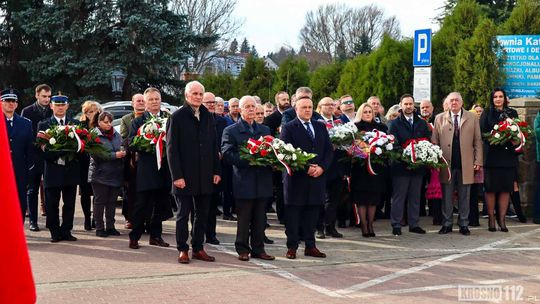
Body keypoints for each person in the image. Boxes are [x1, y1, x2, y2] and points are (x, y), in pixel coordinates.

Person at [167, 81, 221, 264]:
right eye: (194, 93)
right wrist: (177, 176)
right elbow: (171, 150)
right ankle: (182, 249)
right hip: (184, 176)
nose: (198, 97)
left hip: (205, 175)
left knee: (202, 214)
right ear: (187, 95)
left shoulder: (208, 116)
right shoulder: (177, 117)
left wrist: (216, 170)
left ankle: (198, 248)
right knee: (183, 214)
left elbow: (214, 146)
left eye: (200, 94)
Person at [222, 95, 275, 261]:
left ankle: (259, 248)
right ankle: (242, 248)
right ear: (240, 109)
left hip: (263, 181)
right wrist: (251, 158)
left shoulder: (265, 130)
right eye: (248, 107)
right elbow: (227, 154)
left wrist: (270, 158)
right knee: (244, 218)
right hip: (244, 180)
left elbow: (273, 151)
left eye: (254, 106)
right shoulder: (231, 131)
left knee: (260, 217)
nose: (252, 110)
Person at [280, 94, 333, 259]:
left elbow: (328, 151)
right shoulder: (289, 128)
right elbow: (286, 153)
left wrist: (322, 168)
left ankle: (311, 246)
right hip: (297, 179)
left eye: (310, 107)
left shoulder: (320, 127)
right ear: (296, 109)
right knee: (294, 215)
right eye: (304, 107)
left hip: (317, 179)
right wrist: (306, 168)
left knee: (312, 214)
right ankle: (292, 247)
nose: (308, 110)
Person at [432, 92, 483, 236]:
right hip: (446, 163)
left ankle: (464, 224)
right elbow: (434, 141)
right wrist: (436, 160)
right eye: (451, 101)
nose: (454, 103)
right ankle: (447, 223)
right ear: (447, 103)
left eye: (456, 100)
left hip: (465, 163)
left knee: (464, 196)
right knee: (447, 196)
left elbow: (477, 141)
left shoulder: (472, 117)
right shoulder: (439, 118)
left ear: (461, 103)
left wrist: (478, 160)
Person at [128, 87, 172, 249]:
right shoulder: (138, 121)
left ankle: (156, 236)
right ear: (145, 103)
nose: (154, 102)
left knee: (160, 204)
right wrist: (149, 142)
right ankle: (135, 236)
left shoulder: (168, 119)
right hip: (146, 169)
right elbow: (131, 143)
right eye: (151, 100)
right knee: (141, 205)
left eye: (157, 99)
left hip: (164, 169)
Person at [38, 94, 80, 242]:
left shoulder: (76, 124)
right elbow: (43, 151)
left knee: (69, 203)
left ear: (67, 106)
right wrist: (63, 150)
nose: (60, 107)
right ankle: (54, 232)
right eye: (57, 105)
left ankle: (66, 230)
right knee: (52, 204)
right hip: (53, 170)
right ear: (51, 106)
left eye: (63, 105)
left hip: (70, 170)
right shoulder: (43, 125)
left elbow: (80, 148)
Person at [388, 94, 430, 236]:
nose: (408, 106)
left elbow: (427, 141)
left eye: (411, 104)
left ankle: (414, 224)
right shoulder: (395, 123)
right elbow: (393, 143)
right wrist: (406, 154)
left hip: (417, 167)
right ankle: (396, 224)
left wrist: (420, 153)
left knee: (415, 196)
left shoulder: (421, 123)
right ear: (401, 105)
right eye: (405, 104)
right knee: (399, 197)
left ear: (414, 105)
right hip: (401, 167)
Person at [480, 88, 519, 232]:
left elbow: (518, 130)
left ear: (504, 98)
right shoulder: (486, 113)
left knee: (505, 189)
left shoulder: (512, 113)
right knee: (491, 189)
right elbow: (482, 133)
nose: (498, 99)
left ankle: (502, 220)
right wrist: (495, 136)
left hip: (508, 157)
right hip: (491, 157)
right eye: (495, 97)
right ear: (492, 98)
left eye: (500, 96)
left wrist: (514, 138)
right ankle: (491, 219)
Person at [349, 103, 388, 237]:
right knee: (362, 198)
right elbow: (352, 148)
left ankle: (371, 224)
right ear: (360, 113)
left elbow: (386, 145)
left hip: (376, 167)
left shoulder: (381, 128)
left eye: (369, 112)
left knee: (373, 197)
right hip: (360, 168)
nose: (367, 114)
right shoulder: (355, 128)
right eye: (365, 112)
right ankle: (364, 225)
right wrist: (364, 152)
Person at [88, 111, 126, 237]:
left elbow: (121, 146)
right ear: (99, 122)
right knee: (100, 202)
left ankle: (111, 226)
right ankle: (99, 227)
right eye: (105, 122)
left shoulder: (116, 134)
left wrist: (123, 151)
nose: (108, 124)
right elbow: (97, 155)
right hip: (99, 174)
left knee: (111, 202)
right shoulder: (94, 135)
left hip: (115, 173)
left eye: (110, 122)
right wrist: (115, 155)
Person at [21, 84, 52, 231]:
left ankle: (50, 221)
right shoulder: (27, 111)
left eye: (48, 96)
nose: (47, 99)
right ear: (37, 95)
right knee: (32, 189)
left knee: (49, 189)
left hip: (50, 155)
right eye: (44, 96)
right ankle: (33, 221)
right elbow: (23, 134)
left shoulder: (52, 110)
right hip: (33, 155)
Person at [201, 91, 228, 245]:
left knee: (212, 204)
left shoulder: (222, 122)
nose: (211, 105)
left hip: (217, 167)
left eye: (213, 103)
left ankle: (211, 234)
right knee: (199, 205)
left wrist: (221, 152)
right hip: (200, 168)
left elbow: (225, 141)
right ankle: (198, 232)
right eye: (208, 102)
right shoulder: (198, 119)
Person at [315, 97, 345, 239]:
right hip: (322, 165)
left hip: (337, 165)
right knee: (321, 199)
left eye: (332, 105)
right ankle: (319, 227)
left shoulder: (340, 122)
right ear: (320, 107)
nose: (330, 107)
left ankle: (331, 227)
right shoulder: (316, 122)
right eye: (326, 105)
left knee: (334, 199)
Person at [2, 89, 33, 220]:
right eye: (7, 101)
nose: (10, 104)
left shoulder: (26, 123)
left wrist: (29, 171)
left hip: (19, 170)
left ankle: (18, 232)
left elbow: (30, 149)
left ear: (16, 104)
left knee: (19, 202)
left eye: (13, 101)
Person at [119, 93, 146, 229]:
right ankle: (129, 218)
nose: (141, 103)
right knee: (129, 191)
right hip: (131, 160)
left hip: (147, 159)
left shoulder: (150, 118)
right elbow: (124, 138)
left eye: (143, 100)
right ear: (132, 103)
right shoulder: (126, 119)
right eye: (138, 101)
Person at [79, 100, 101, 230]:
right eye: (89, 112)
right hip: (84, 163)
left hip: (98, 163)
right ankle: (87, 218)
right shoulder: (81, 126)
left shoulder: (101, 124)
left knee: (97, 192)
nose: (92, 114)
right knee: (85, 193)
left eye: (94, 111)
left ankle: (95, 218)